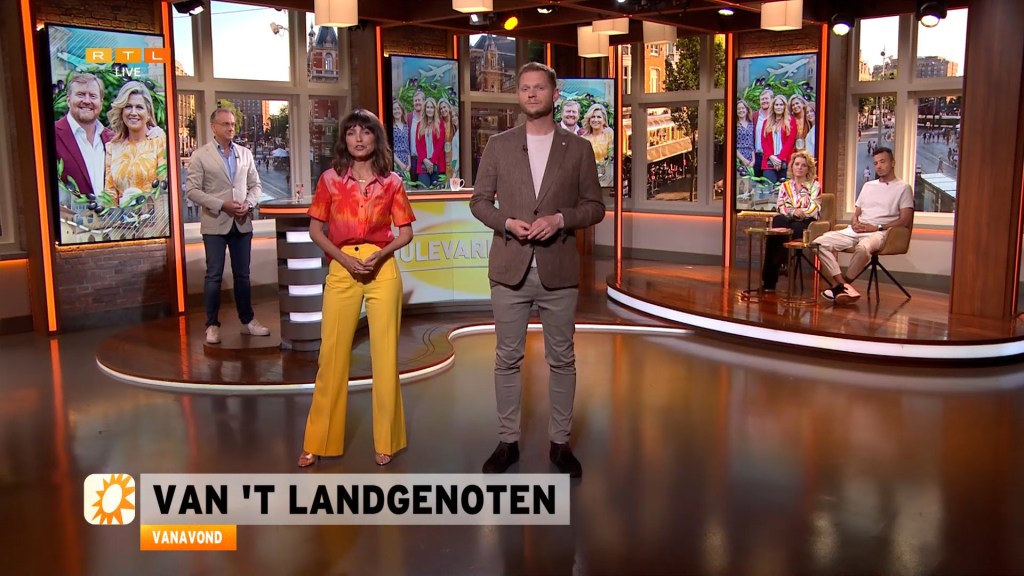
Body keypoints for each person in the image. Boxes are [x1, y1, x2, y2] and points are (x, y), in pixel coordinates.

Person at [470, 62, 605, 478]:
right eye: (524, 88)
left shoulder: (578, 148)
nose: (531, 94)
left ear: (554, 94)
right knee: (506, 358)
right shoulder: (498, 145)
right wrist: (507, 223)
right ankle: (507, 441)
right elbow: (479, 202)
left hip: (558, 270)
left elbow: (595, 207)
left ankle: (560, 443)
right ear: (519, 95)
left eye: (539, 88)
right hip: (509, 267)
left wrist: (561, 219)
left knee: (562, 359)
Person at [298, 109, 415, 468]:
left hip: (382, 268)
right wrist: (344, 259)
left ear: (376, 138)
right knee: (331, 357)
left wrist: (381, 254)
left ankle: (387, 440)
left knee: (386, 358)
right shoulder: (330, 180)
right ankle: (317, 441)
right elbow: (316, 231)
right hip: (342, 266)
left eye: (366, 132)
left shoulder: (392, 182)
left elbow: (406, 233)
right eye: (351, 133)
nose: (359, 139)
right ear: (344, 140)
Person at [185, 108, 269, 344]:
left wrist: (249, 203)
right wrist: (222, 205)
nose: (230, 128)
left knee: (243, 275)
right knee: (214, 275)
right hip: (215, 224)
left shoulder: (245, 153)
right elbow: (192, 191)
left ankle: (248, 321)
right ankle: (212, 325)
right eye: (225, 124)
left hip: (242, 223)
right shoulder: (200, 156)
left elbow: (256, 185)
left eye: (232, 124)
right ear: (213, 127)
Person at [812, 147, 914, 304]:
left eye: (883, 162)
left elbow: (905, 220)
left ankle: (840, 287)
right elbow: (857, 212)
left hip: (880, 232)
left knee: (863, 248)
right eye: (876, 163)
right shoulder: (868, 186)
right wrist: (854, 221)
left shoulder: (903, 188)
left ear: (892, 163)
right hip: (856, 230)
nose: (879, 166)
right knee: (818, 244)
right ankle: (843, 286)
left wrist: (877, 227)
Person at [103, 81, 168, 209]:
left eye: (139, 107)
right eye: (128, 106)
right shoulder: (112, 147)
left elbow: (164, 189)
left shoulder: (159, 142)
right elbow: (109, 194)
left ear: (148, 114)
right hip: (122, 219)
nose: (133, 112)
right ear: (122, 112)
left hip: (155, 216)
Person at [762, 151, 821, 291]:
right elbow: (780, 205)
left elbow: (815, 207)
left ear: (808, 169)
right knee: (778, 221)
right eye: (797, 164)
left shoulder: (814, 186)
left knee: (775, 237)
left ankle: (771, 278)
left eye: (803, 165)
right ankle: (782, 263)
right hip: (788, 219)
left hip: (805, 222)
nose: (799, 167)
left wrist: (802, 213)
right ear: (792, 167)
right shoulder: (785, 186)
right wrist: (793, 212)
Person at [54, 73, 113, 204]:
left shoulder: (112, 139)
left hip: (111, 216)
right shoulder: (50, 136)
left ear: (101, 103)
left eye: (93, 96)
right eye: (80, 94)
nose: (87, 101)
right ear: (68, 100)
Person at [760, 94, 797, 184]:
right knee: (768, 186)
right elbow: (763, 141)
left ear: (785, 106)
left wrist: (779, 159)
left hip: (785, 161)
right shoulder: (766, 122)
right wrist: (771, 156)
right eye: (776, 105)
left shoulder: (791, 121)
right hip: (769, 161)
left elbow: (790, 142)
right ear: (773, 107)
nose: (779, 107)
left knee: (784, 189)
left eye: (781, 105)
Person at [579, 103, 615, 187]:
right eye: (593, 117)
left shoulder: (609, 134)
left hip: (607, 178)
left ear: (604, 120)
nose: (595, 120)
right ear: (589, 119)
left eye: (599, 117)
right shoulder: (583, 139)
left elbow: (611, 158)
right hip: (588, 179)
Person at [414, 97, 446, 188]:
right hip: (423, 165)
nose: (429, 109)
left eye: (431, 107)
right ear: (425, 109)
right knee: (423, 191)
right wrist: (425, 161)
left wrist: (431, 162)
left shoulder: (440, 124)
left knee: (436, 192)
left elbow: (440, 145)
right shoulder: (419, 125)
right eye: (428, 107)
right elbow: (417, 145)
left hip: (436, 164)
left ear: (434, 110)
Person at [752, 88, 774, 178]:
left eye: (766, 98)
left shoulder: (776, 116)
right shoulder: (754, 116)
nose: (764, 101)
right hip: (756, 156)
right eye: (762, 99)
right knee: (755, 182)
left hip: (771, 157)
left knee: (768, 182)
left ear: (772, 100)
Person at [735, 99, 756, 180]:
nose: (741, 110)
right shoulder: (734, 125)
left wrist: (753, 160)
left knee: (749, 183)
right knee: (739, 183)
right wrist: (743, 160)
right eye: (738, 109)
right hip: (739, 158)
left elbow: (752, 143)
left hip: (750, 159)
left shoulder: (751, 124)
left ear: (746, 110)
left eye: (743, 108)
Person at [437, 98, 457, 180]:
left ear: (448, 107)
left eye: (444, 107)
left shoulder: (454, 120)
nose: (443, 110)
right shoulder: (439, 123)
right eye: (441, 108)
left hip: (454, 153)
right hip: (444, 155)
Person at [391, 100, 411, 174]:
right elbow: (390, 149)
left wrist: (409, 164)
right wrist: (400, 164)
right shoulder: (391, 127)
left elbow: (407, 146)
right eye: (394, 109)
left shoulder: (406, 126)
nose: (397, 111)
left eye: (398, 108)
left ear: (401, 110)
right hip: (395, 162)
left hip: (406, 163)